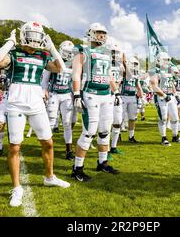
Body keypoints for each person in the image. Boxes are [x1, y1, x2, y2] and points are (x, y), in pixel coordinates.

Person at [0, 22, 70, 207]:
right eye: (31, 34)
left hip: (36, 103)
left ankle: (49, 176)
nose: (34, 38)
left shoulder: (43, 55)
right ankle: (17, 188)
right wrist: (10, 43)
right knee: (14, 147)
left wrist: (51, 48)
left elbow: (61, 68)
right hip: (16, 103)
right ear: (24, 34)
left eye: (37, 34)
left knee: (48, 142)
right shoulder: (14, 53)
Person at [71, 23, 120, 182]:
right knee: (89, 132)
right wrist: (77, 95)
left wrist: (116, 91)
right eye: (99, 33)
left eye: (104, 33)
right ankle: (77, 168)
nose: (102, 36)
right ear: (91, 33)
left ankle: (102, 162)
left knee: (105, 131)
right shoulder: (83, 51)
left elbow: (109, 76)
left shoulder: (106, 53)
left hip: (106, 95)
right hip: (90, 93)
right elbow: (76, 74)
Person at [42, 41, 76, 160]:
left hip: (66, 94)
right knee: (51, 121)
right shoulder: (53, 61)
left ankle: (69, 150)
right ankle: (47, 148)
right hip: (54, 94)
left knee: (67, 123)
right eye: (66, 52)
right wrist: (44, 90)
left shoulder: (73, 63)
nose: (69, 55)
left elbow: (74, 81)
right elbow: (45, 79)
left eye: (70, 52)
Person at [149, 52, 180, 146]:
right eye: (165, 60)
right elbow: (154, 86)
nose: (167, 62)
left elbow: (171, 83)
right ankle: (163, 138)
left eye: (168, 60)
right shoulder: (155, 71)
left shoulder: (169, 71)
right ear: (159, 60)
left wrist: (175, 94)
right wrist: (164, 96)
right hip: (161, 97)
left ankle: (175, 136)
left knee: (175, 117)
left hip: (171, 96)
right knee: (164, 118)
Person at [119, 56, 143, 144]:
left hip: (133, 96)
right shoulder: (124, 73)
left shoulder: (136, 74)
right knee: (120, 118)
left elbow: (137, 84)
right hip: (123, 96)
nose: (135, 66)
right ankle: (118, 134)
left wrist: (140, 91)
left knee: (132, 118)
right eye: (134, 64)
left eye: (136, 64)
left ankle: (131, 136)